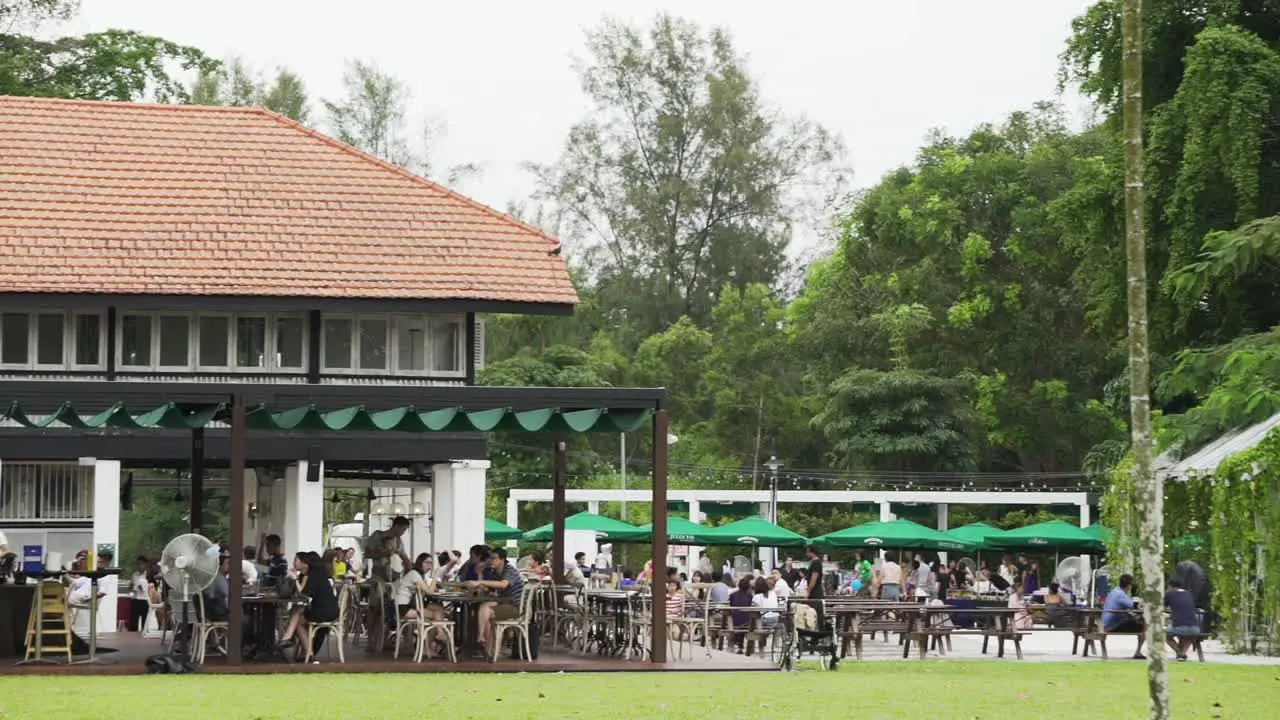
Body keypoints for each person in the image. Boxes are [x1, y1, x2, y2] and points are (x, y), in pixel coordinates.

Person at [467, 546, 524, 658]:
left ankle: (485, 644)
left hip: (516, 606)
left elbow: (503, 584)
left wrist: (480, 582)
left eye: (494, 558)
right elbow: (487, 591)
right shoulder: (495, 573)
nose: (491, 560)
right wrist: (479, 574)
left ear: (502, 560)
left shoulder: (509, 570)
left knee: (487, 612)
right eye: (490, 558)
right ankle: (487, 646)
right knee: (484, 608)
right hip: (503, 602)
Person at [1102, 573, 1146, 659]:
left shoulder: (1114, 591)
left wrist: (1134, 616)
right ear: (1129, 585)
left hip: (1105, 623)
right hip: (1112, 626)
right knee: (1144, 624)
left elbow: (1124, 610)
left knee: (1138, 620)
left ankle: (1138, 651)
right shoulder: (1121, 595)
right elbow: (1134, 606)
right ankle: (1138, 652)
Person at [364, 517, 412, 582]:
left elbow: (405, 558)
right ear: (396, 526)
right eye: (403, 529)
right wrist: (382, 553)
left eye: (405, 530)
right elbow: (367, 554)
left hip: (394, 579)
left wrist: (409, 573)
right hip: (379, 577)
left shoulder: (399, 541)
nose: (403, 532)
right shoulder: (378, 535)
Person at [1165, 578, 1200, 661]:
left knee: (1164, 635)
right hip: (1195, 628)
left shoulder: (1170, 594)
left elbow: (1162, 606)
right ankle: (1182, 654)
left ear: (1170, 586)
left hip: (1178, 627)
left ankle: (1179, 652)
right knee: (1189, 635)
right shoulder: (1188, 594)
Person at [129, 555, 152, 632]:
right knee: (133, 621)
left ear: (145, 564)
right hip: (135, 599)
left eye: (141, 564)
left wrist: (144, 588)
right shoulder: (134, 575)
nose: (139, 566)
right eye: (137, 564)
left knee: (144, 622)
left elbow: (153, 587)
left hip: (145, 600)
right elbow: (130, 586)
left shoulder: (149, 575)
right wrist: (131, 587)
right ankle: (132, 638)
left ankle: (144, 636)